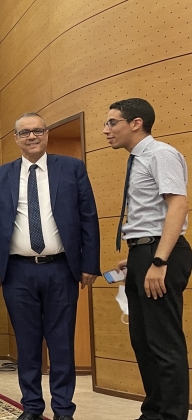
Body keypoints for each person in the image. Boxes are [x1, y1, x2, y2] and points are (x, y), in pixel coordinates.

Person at [0, 113, 100, 420]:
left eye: (37, 131)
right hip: (17, 272)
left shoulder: (72, 168)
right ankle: (32, 407)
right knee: (27, 343)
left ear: (46, 135)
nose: (31, 136)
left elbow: (88, 217)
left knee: (61, 343)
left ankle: (63, 410)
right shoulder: (0, 176)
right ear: (16, 138)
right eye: (25, 132)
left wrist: (90, 263)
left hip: (61, 269)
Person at [107, 98, 191, 420]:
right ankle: (153, 412)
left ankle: (171, 416)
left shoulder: (161, 154)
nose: (106, 130)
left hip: (162, 254)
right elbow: (151, 214)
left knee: (164, 344)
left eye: (112, 122)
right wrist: (138, 256)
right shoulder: (137, 159)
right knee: (143, 342)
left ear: (136, 123)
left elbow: (178, 205)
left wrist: (158, 261)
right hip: (145, 250)